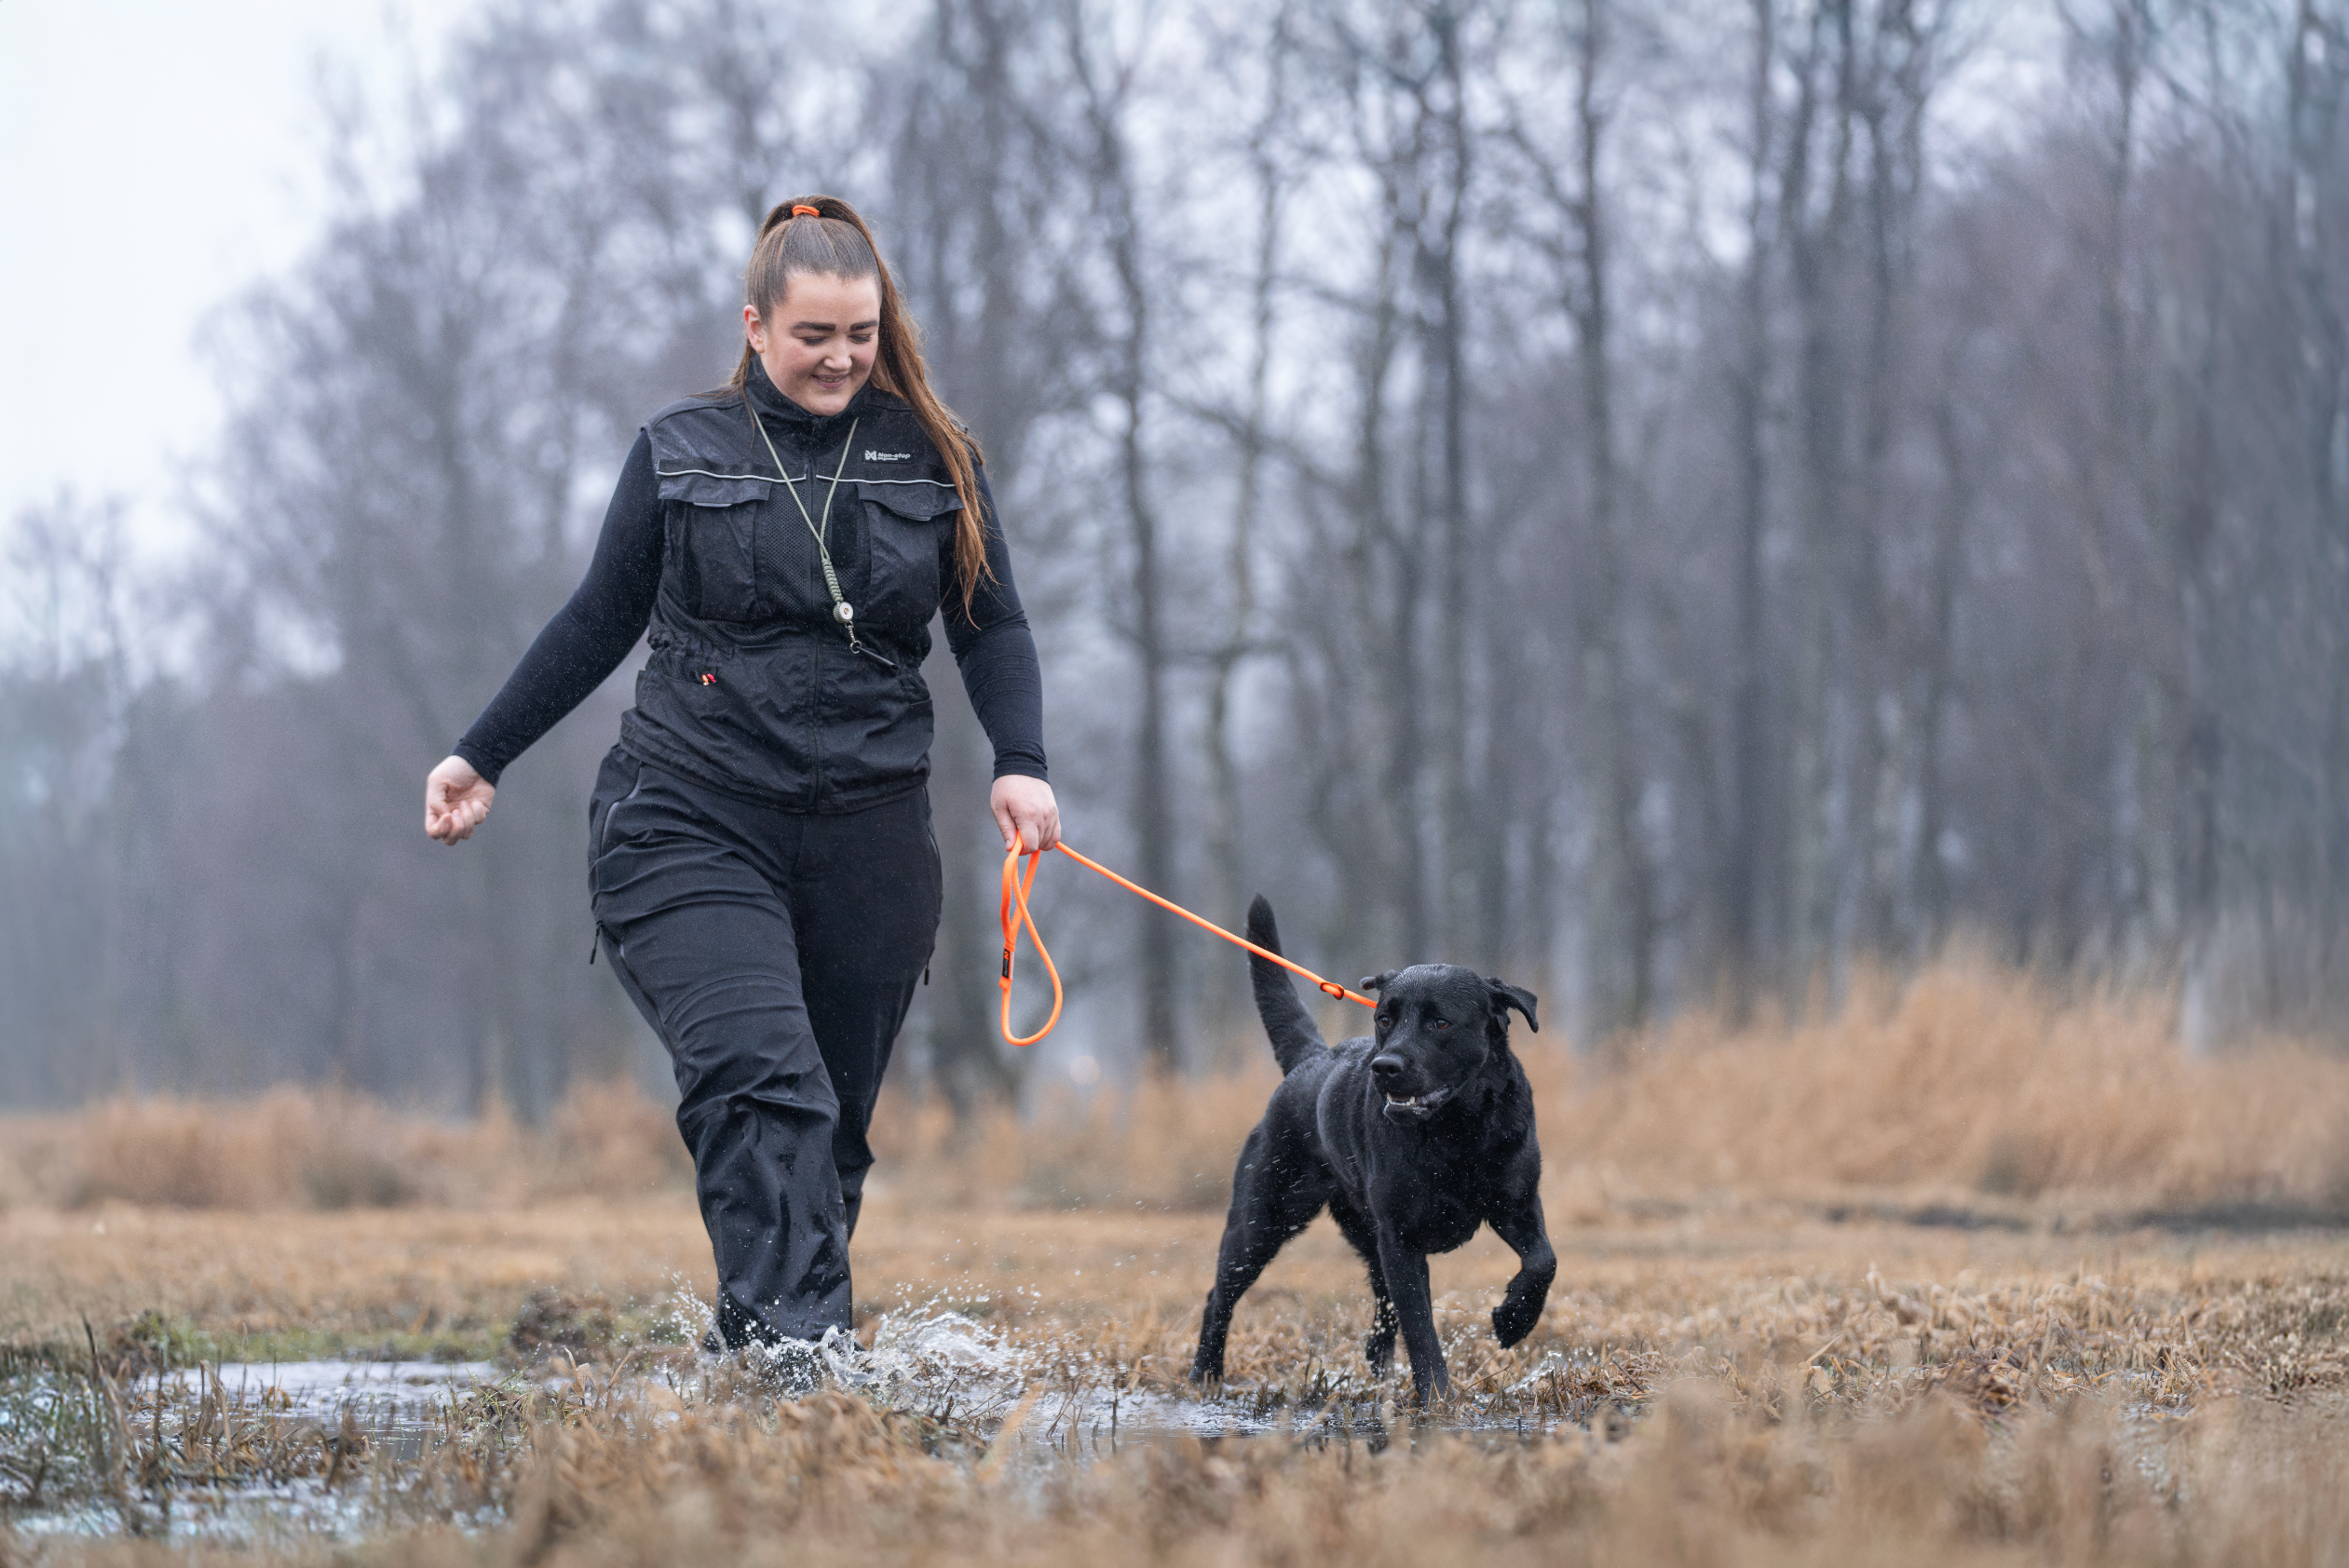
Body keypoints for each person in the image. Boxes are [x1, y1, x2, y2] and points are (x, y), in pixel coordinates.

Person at [421, 195, 1058, 1358]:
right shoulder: (680, 450)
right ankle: (796, 1381)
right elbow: (595, 621)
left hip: (868, 837)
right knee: (765, 1089)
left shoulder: (935, 457)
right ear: (756, 325)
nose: (839, 357)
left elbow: (994, 627)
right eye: (813, 334)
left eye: (859, 334)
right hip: (686, 822)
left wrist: (1021, 766)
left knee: (828, 1131)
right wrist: (482, 751)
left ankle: (764, 1351)